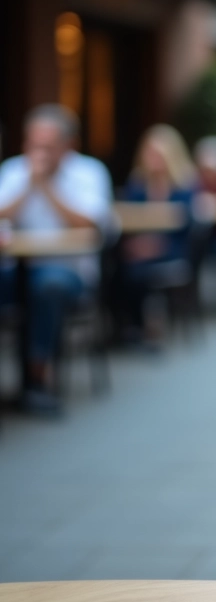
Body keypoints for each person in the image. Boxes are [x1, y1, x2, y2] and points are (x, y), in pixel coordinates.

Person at [0, 104, 113, 415]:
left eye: (47, 147)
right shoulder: (14, 171)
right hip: (16, 269)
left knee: (47, 287)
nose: (39, 154)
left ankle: (38, 381)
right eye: (33, 145)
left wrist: (47, 187)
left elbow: (90, 225)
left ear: (68, 145)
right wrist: (28, 186)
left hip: (68, 271)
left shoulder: (88, 172)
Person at [119, 125, 197, 344]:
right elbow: (128, 219)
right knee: (120, 265)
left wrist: (155, 245)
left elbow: (187, 225)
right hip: (140, 245)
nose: (153, 160)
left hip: (173, 248)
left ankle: (144, 326)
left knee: (137, 271)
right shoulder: (137, 184)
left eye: (159, 155)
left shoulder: (183, 185)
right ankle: (128, 326)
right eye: (150, 153)